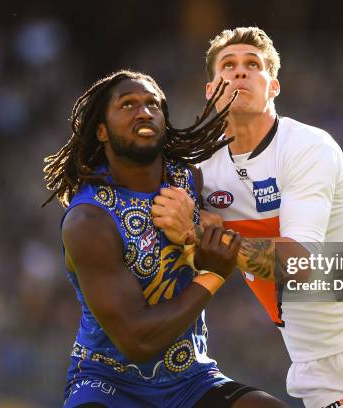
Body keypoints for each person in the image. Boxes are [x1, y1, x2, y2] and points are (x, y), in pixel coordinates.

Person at [154, 28, 343, 408]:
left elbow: (300, 262)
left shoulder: (307, 147)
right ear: (210, 89)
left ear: (273, 87)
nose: (240, 73)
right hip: (316, 364)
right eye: (228, 65)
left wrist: (201, 231)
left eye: (253, 65)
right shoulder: (197, 169)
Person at [42, 69, 286, 408]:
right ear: (101, 130)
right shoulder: (90, 220)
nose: (143, 111)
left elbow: (276, 258)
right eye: (127, 104)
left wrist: (200, 236)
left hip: (192, 379)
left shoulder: (194, 180)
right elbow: (138, 340)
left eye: (152, 104)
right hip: (109, 385)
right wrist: (212, 276)